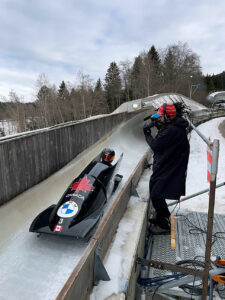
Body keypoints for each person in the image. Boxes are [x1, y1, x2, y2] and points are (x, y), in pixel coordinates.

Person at [143, 103, 190, 234]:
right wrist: (157, 123)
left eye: (161, 117)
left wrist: (147, 134)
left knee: (156, 192)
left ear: (168, 117)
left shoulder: (172, 130)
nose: (159, 119)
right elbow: (164, 133)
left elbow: (156, 145)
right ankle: (162, 217)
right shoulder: (173, 125)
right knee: (156, 190)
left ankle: (164, 226)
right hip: (169, 161)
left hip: (171, 165)